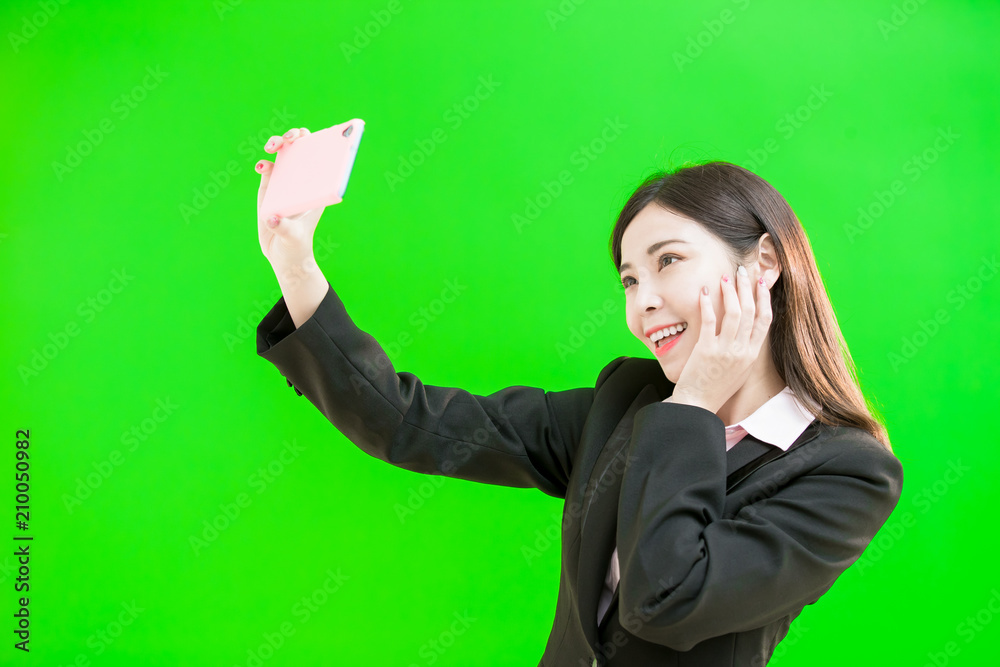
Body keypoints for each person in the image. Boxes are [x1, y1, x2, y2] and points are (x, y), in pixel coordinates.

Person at [253, 127, 903, 666]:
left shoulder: (846, 471)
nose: (643, 302)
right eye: (628, 278)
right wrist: (294, 260)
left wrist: (696, 402)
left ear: (763, 263)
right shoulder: (623, 401)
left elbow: (667, 596)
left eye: (668, 260)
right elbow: (410, 422)